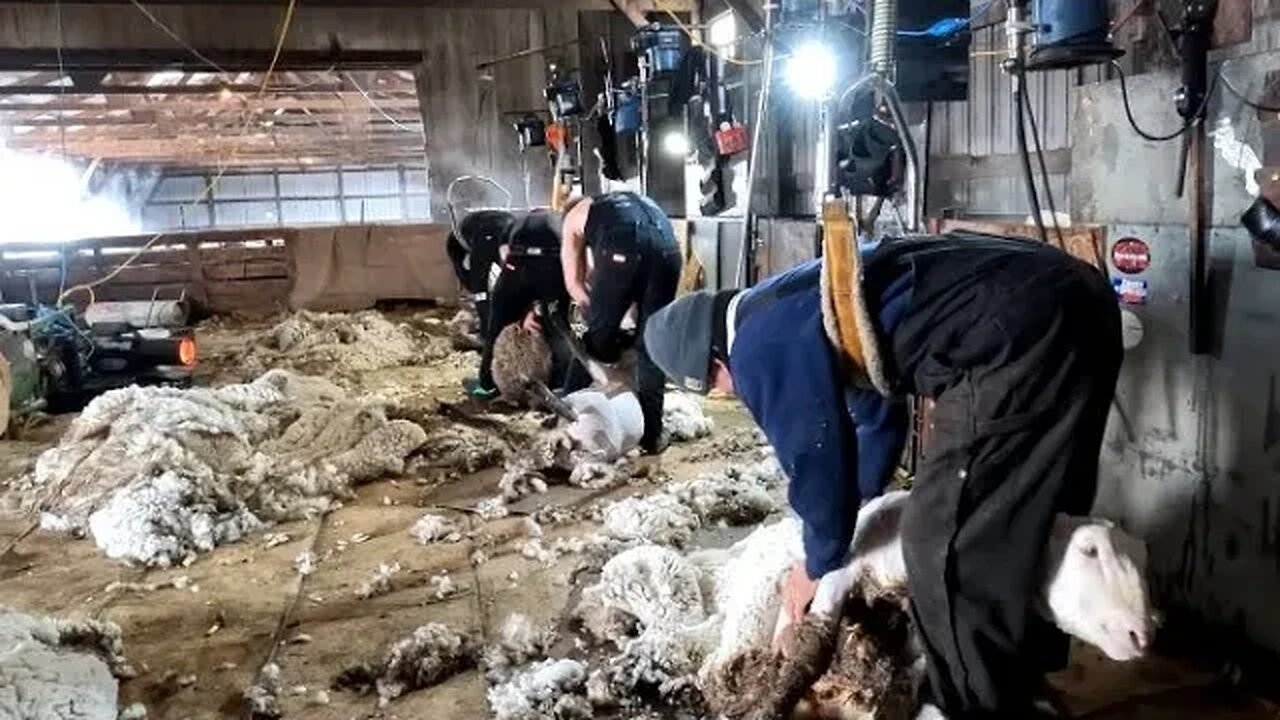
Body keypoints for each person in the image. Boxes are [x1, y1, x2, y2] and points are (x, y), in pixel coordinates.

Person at [643, 232, 1123, 719]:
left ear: (714, 362)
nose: (729, 393)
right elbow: (879, 419)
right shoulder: (785, 300)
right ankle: (1024, 682)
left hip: (1014, 337)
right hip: (1076, 298)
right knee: (1030, 514)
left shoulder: (757, 346)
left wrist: (816, 562)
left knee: (943, 537)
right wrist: (861, 504)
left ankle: (966, 707)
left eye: (717, 387)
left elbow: (816, 458)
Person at [560, 191, 682, 454]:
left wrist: (601, 317)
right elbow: (634, 278)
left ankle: (563, 419)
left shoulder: (572, 218)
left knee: (594, 341)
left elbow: (575, 284)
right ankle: (652, 435)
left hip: (622, 244)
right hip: (669, 250)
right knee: (651, 345)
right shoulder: (628, 203)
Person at [476, 209, 575, 397]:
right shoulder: (566, 224)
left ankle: (486, 383)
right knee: (558, 328)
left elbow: (504, 256)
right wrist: (540, 308)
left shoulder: (514, 224)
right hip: (550, 267)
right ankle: (560, 387)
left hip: (514, 269)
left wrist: (524, 309)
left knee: (496, 327)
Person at [447, 209, 518, 398]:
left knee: (486, 308)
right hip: (511, 226)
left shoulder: (454, 244)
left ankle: (487, 384)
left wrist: (482, 297)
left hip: (488, 233)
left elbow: (471, 282)